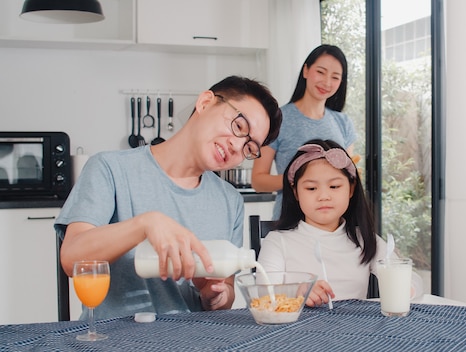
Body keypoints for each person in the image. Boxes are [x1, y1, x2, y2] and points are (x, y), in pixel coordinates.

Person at [55, 76, 282, 320]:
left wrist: (214, 296)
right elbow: (72, 259)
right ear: (205, 102)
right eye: (239, 127)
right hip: (115, 339)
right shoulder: (110, 169)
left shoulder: (229, 200)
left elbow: (225, 292)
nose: (237, 147)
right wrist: (145, 225)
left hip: (191, 340)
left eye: (249, 148)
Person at [257, 139, 394, 307]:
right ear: (296, 193)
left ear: (351, 189)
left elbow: (409, 279)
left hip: (356, 331)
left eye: (334, 186)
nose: (323, 196)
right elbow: (264, 296)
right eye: (311, 188)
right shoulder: (278, 241)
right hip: (297, 332)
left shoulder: (364, 239)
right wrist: (296, 292)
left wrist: (405, 288)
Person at [251, 44, 357, 220]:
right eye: (321, 72)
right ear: (306, 70)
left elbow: (347, 178)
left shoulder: (343, 123)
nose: (327, 82)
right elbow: (258, 181)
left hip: (335, 223)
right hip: (290, 221)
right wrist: (299, 179)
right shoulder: (278, 119)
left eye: (335, 77)